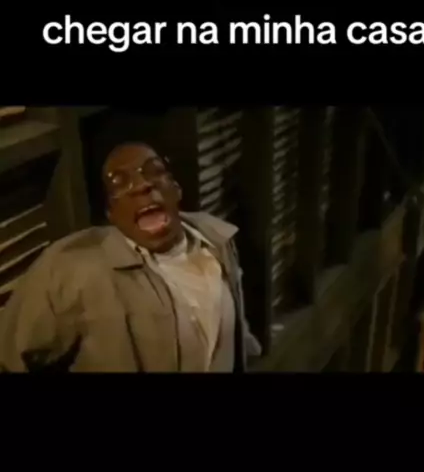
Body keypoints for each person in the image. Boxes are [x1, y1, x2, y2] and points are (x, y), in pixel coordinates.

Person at [0, 142, 261, 373]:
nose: (143, 185)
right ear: (110, 213)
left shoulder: (216, 238)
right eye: (119, 182)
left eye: (154, 171)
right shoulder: (72, 268)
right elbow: (9, 355)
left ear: (176, 189)